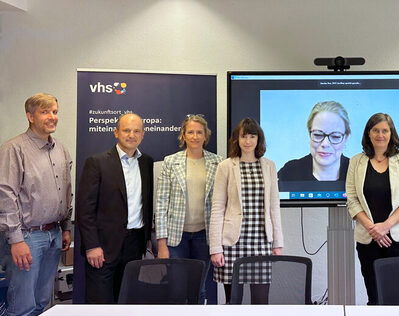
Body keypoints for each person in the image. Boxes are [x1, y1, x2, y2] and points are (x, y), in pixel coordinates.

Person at [0, 93, 72, 316]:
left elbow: (67, 191)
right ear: (30, 116)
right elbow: (5, 194)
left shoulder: (60, 149)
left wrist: (66, 227)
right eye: (45, 112)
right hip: (27, 238)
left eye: (55, 112)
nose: (52, 117)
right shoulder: (14, 149)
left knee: (43, 302)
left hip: (54, 235)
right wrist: (16, 240)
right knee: (22, 305)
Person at [76, 113, 153, 303]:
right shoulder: (97, 162)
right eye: (126, 130)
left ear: (143, 135)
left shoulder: (147, 163)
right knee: (100, 305)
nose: (131, 135)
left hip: (135, 245)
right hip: (103, 248)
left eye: (137, 131)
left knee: (128, 302)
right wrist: (92, 245)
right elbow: (85, 210)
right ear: (116, 132)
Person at [345, 113, 399, 305]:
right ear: (368, 133)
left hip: (398, 240)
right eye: (375, 130)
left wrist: (385, 226)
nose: (380, 135)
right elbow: (352, 201)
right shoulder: (356, 162)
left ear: (391, 133)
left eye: (385, 130)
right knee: (374, 297)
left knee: (395, 299)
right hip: (368, 240)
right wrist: (373, 229)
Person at [209, 118, 283, 304]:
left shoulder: (269, 166)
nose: (248, 141)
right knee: (233, 303)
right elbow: (217, 208)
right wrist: (215, 248)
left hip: (261, 242)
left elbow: (274, 207)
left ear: (259, 139)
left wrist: (278, 243)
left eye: (252, 136)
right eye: (244, 136)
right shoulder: (226, 166)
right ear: (237, 139)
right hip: (232, 243)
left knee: (261, 302)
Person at [155, 114, 223, 303]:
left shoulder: (218, 162)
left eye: (199, 132)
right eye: (190, 132)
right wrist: (161, 243)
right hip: (176, 238)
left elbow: (221, 203)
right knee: (176, 289)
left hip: (204, 236)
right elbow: (161, 203)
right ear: (183, 136)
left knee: (199, 288)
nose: (195, 136)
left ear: (205, 136)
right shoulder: (170, 162)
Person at [278, 101, 350, 189]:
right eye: (318, 135)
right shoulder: (289, 172)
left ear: (346, 138)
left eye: (335, 136)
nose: (325, 144)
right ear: (309, 134)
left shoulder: (359, 172)